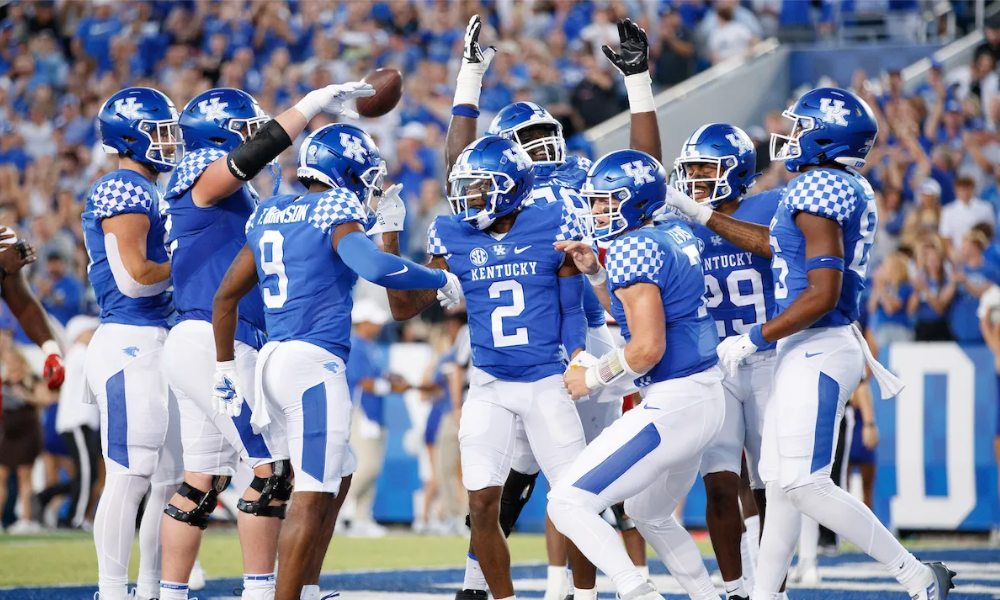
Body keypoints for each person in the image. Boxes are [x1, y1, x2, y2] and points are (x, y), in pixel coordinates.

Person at [662, 86, 955, 600]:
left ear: (824, 138)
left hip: (819, 342)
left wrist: (755, 336)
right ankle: (767, 594)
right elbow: (776, 245)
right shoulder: (832, 186)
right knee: (777, 484)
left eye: (800, 127)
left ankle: (916, 574)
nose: (788, 136)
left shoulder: (820, 188)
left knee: (802, 484)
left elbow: (822, 294)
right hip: (808, 345)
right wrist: (705, 215)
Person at [435, 17, 662, 599]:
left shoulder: (579, 178)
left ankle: (579, 590)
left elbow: (645, 176)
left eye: (543, 137)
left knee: (585, 483)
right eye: (527, 143)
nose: (542, 150)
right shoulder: (497, 196)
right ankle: (479, 583)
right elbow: (457, 165)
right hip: (525, 343)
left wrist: (639, 85)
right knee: (510, 479)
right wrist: (470, 80)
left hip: (593, 328)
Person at [212, 122, 460, 600]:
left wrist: (225, 367)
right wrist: (438, 278)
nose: (367, 186)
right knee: (310, 492)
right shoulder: (336, 205)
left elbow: (225, 297)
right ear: (343, 171)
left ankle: (305, 587)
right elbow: (374, 268)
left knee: (338, 473)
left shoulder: (271, 210)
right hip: (313, 364)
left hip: (274, 359)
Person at [160, 82, 374, 600]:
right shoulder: (201, 174)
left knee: (199, 484)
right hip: (214, 342)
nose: (255, 139)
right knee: (274, 472)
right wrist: (311, 104)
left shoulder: (246, 201)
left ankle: (169, 593)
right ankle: (263, 592)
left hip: (210, 339)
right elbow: (253, 154)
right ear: (219, 136)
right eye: (245, 131)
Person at [382, 133, 592, 600]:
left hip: (544, 382)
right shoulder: (452, 234)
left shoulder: (553, 220)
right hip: (490, 385)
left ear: (512, 185)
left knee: (577, 502)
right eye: (467, 186)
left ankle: (587, 595)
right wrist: (390, 237)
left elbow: (572, 308)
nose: (468, 197)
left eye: (480, 186)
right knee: (481, 505)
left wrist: (578, 355)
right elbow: (402, 308)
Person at [672, 123, 783, 600]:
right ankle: (736, 590)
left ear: (737, 171)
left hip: (766, 357)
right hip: (712, 366)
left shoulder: (770, 205)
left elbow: (772, 244)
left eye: (705, 167)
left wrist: (703, 216)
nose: (695, 177)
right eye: (690, 168)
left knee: (768, 484)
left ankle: (771, 588)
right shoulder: (680, 223)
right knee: (719, 484)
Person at [81, 86, 183, 600]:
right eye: (159, 132)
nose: (170, 142)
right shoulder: (121, 186)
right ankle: (111, 590)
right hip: (129, 339)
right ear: (128, 137)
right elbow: (137, 279)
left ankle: (152, 589)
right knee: (131, 472)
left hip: (162, 339)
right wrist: (195, 265)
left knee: (169, 478)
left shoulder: (155, 189)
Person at [346, 299, 408, 539]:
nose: (379, 327)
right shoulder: (357, 345)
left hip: (373, 413)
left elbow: (374, 377)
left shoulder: (368, 347)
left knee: (373, 468)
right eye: (374, 322)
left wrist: (389, 380)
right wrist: (392, 387)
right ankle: (339, 511)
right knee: (367, 466)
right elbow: (364, 382)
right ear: (363, 323)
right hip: (362, 413)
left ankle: (362, 518)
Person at [35, 315, 101, 530]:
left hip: (81, 422)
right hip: (78, 421)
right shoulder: (82, 354)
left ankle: (48, 496)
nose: (94, 334)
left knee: (87, 473)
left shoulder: (77, 354)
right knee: (88, 473)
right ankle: (74, 519)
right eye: (90, 331)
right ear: (80, 334)